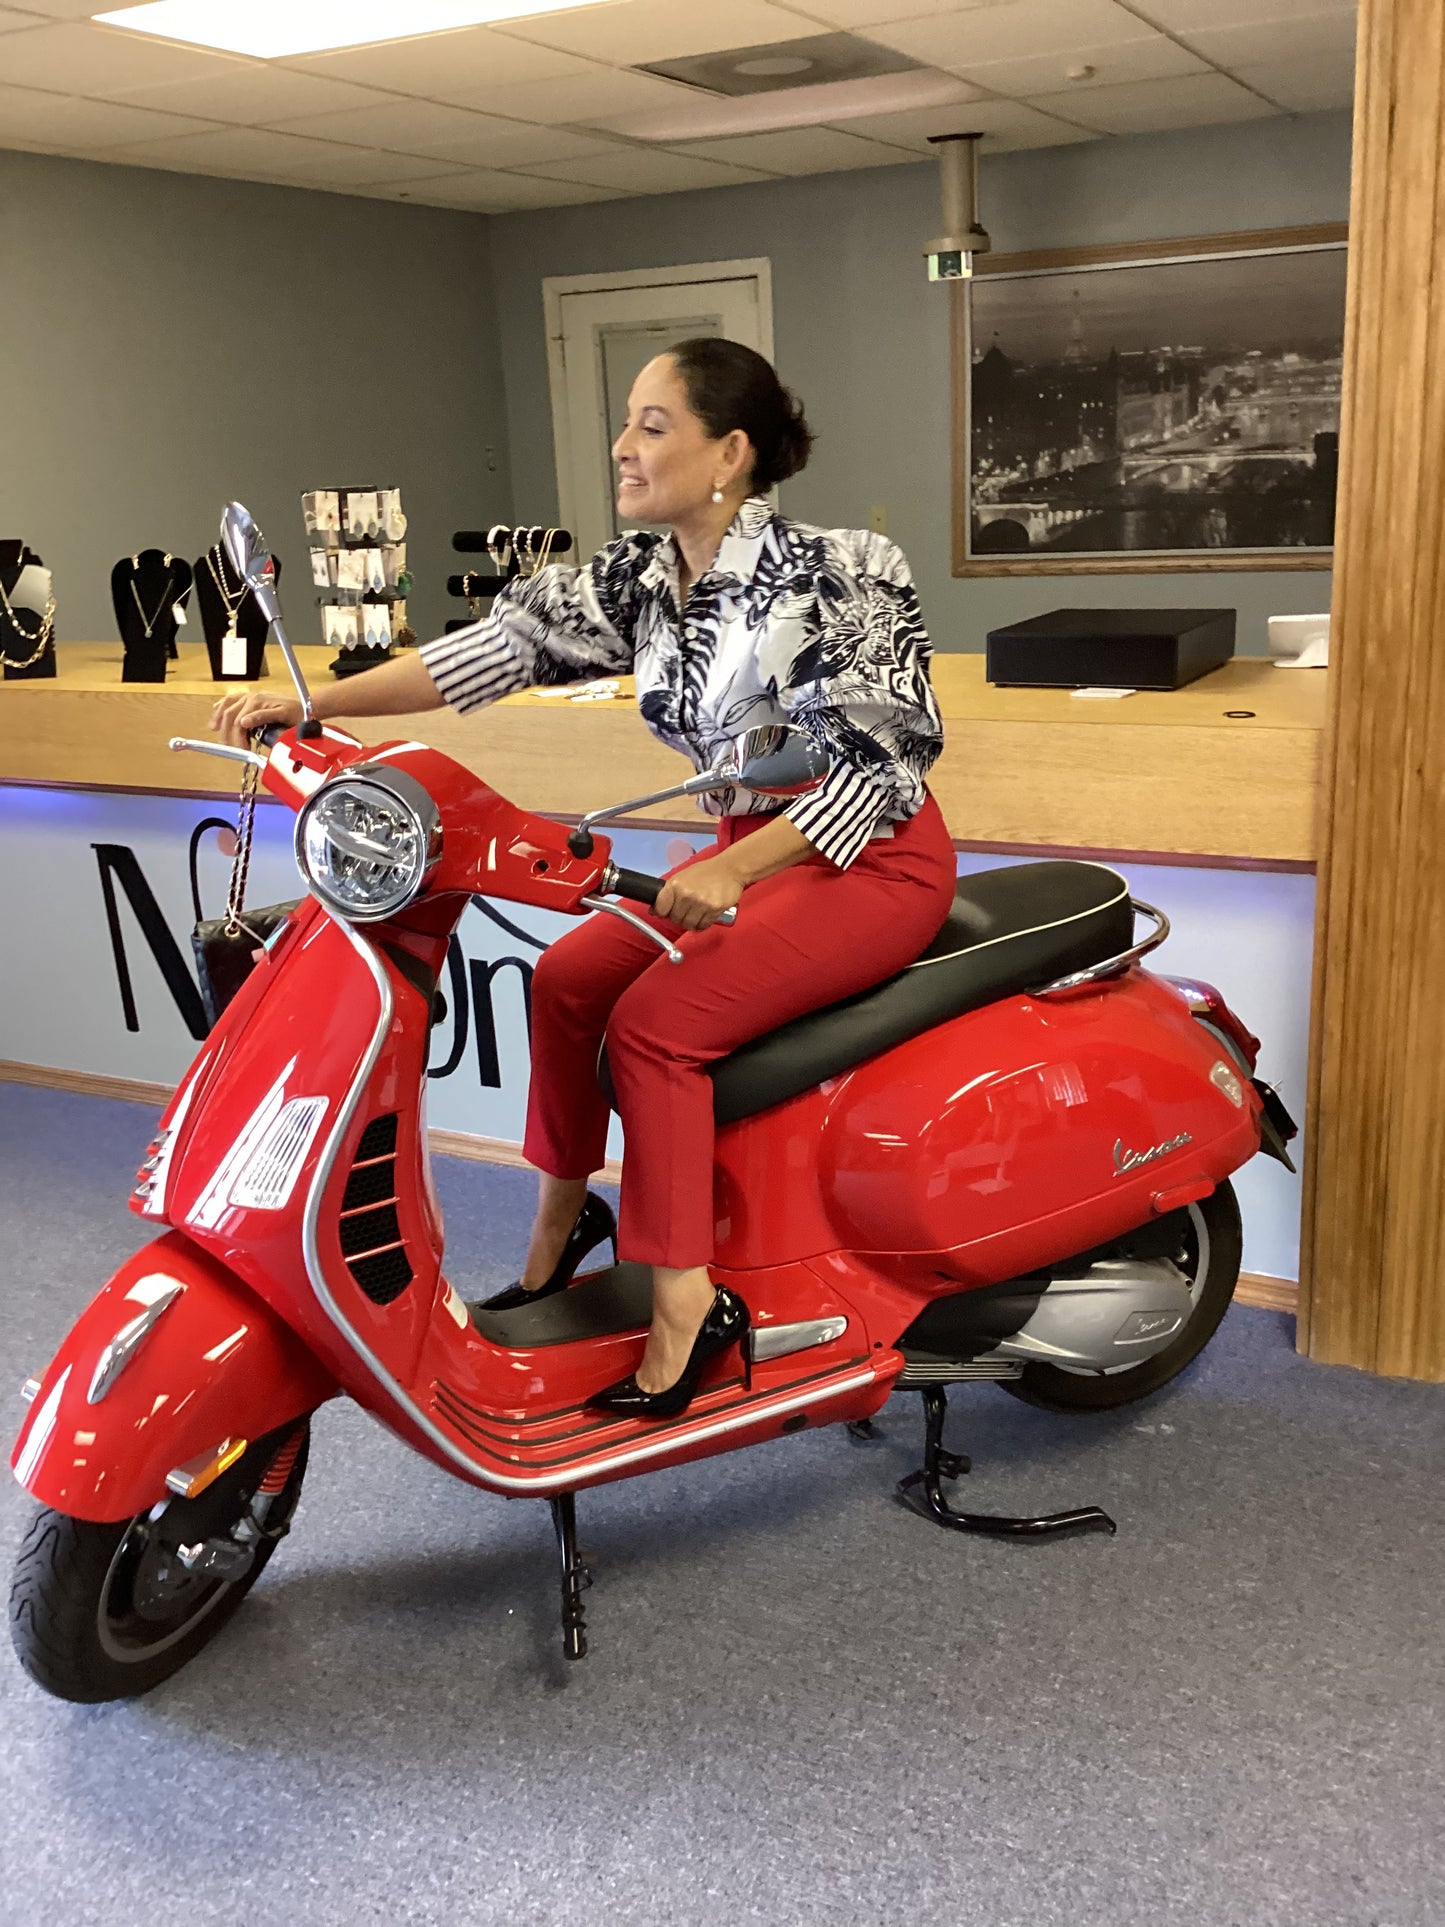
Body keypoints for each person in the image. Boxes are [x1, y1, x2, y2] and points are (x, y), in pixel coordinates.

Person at [214, 338, 953, 1420]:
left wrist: (738, 867)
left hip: (862, 857)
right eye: (626, 420)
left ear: (729, 452)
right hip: (741, 854)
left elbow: (883, 762)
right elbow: (487, 652)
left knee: (658, 1024)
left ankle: (683, 1310)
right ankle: (563, 1231)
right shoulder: (640, 576)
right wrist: (319, 707)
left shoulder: (839, 568)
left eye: (653, 425)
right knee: (565, 982)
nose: (622, 445)